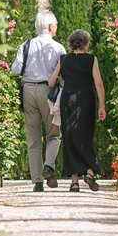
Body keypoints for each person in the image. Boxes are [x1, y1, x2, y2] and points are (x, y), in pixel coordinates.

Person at [11, 11, 66, 192]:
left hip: (28, 90)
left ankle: (37, 182)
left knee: (33, 138)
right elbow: (63, 76)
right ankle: (48, 167)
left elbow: (15, 69)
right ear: (50, 27)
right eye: (55, 25)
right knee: (54, 134)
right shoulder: (58, 48)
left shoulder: (26, 45)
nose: (56, 28)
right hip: (49, 92)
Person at [47, 29, 106, 192]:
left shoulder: (64, 59)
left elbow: (51, 82)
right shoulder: (91, 59)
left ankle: (74, 183)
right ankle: (89, 172)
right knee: (86, 136)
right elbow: (99, 83)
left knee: (70, 138)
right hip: (86, 100)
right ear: (86, 44)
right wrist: (102, 105)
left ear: (71, 44)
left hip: (68, 101)